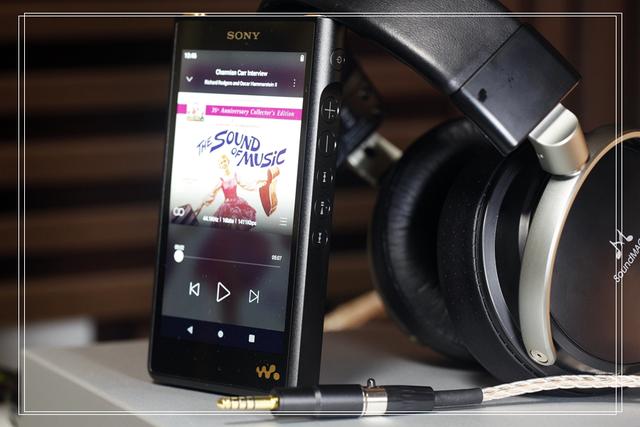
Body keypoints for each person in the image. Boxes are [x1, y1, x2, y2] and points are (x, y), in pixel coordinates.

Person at [195, 154, 266, 231]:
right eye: (221, 163)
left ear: (228, 161)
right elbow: (211, 194)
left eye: (224, 161)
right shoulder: (221, 180)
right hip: (227, 206)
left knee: (237, 221)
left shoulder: (235, 175)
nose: (223, 163)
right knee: (229, 225)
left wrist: (259, 184)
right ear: (220, 166)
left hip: (237, 203)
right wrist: (200, 206)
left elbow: (246, 185)